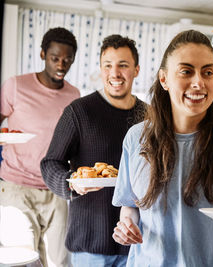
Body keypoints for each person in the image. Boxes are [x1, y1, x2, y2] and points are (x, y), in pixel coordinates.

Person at [112, 30, 213, 267]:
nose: (198, 82)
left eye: (207, 72)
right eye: (186, 71)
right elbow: (130, 206)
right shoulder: (137, 138)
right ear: (164, 79)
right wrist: (126, 225)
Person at [40, 34, 147, 267]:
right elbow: (50, 163)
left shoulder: (150, 116)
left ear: (136, 70)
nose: (115, 73)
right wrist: (71, 182)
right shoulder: (79, 112)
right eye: (108, 65)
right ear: (100, 69)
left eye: (123, 65)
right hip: (89, 246)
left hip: (138, 243)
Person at [0, 27, 80, 267]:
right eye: (55, 58)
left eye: (67, 60)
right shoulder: (16, 85)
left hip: (56, 189)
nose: (61, 64)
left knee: (59, 261)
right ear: (43, 54)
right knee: (25, 260)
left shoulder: (74, 95)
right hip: (17, 187)